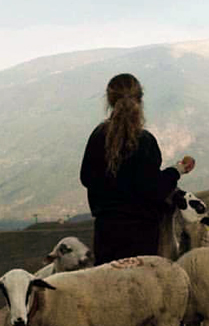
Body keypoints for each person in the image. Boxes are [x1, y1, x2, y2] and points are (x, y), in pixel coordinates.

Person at [80, 73, 195, 266]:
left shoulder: (98, 136)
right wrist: (177, 170)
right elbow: (154, 189)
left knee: (109, 289)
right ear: (140, 101)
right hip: (142, 236)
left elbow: (86, 178)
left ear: (109, 100)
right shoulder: (145, 141)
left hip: (106, 233)